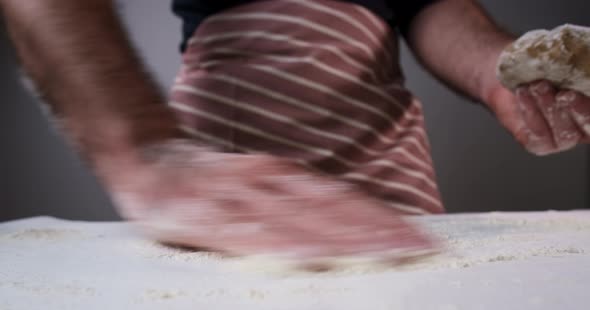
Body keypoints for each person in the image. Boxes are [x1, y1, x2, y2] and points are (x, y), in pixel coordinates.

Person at [1, 0, 589, 260]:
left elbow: (437, 8)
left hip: (384, 150)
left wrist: (502, 77)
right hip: (228, 162)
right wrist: (143, 149)